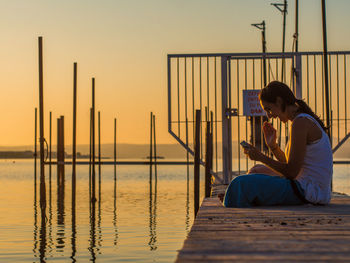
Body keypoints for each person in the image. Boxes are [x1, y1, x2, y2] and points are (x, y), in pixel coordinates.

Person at [222, 81, 333, 208]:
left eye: (269, 109)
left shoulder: (300, 123)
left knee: (239, 184)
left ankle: (234, 199)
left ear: (279, 102)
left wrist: (260, 156)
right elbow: (291, 164)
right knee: (255, 170)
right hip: (306, 187)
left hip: (307, 192)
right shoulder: (300, 121)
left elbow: (291, 172)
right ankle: (235, 198)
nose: (269, 115)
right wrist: (273, 146)